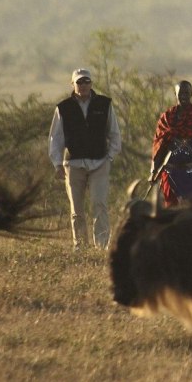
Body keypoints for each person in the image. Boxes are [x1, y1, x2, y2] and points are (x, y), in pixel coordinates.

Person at [49, 67, 121, 249]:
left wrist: (109, 157)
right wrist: (57, 164)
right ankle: (80, 246)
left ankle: (102, 245)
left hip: (99, 162)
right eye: (79, 82)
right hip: (73, 164)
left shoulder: (104, 104)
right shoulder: (63, 108)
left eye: (86, 81)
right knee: (77, 210)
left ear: (91, 83)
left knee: (99, 205)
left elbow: (114, 133)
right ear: (72, 84)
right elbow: (55, 138)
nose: (83, 85)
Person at [150, 80, 192, 207]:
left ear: (191, 93)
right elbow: (158, 146)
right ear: (175, 94)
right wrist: (153, 172)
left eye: (186, 93)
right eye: (180, 93)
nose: (184, 96)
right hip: (170, 173)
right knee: (171, 211)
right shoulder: (167, 117)